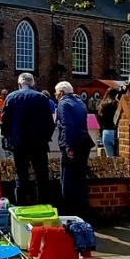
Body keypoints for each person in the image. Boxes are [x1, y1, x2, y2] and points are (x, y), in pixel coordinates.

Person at [1, 73, 57, 205]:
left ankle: (21, 206)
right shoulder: (42, 98)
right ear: (33, 83)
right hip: (39, 143)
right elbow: (50, 123)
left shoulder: (11, 97)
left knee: (21, 176)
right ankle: (43, 205)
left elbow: (4, 122)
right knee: (42, 176)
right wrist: (45, 138)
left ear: (19, 84)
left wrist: (8, 139)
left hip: (19, 143)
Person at [56, 81, 93, 215]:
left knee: (67, 178)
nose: (55, 95)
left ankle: (69, 210)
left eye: (56, 93)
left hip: (73, 143)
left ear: (61, 92)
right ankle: (82, 210)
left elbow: (67, 125)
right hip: (84, 142)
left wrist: (68, 147)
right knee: (80, 177)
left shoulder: (63, 103)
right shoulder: (80, 102)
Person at [96, 88, 120, 157]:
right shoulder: (116, 105)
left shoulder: (102, 106)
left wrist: (101, 133)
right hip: (115, 132)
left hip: (105, 133)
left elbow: (100, 122)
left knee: (110, 158)